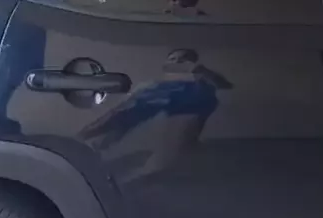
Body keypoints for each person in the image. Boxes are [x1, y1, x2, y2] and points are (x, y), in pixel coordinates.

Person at [80, 49, 231, 150]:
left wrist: (201, 70)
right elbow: (128, 102)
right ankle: (84, 142)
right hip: (139, 106)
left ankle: (95, 147)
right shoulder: (153, 83)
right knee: (109, 124)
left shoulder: (199, 81)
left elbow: (224, 85)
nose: (176, 63)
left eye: (182, 60)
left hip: (163, 115)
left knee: (116, 131)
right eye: (173, 59)